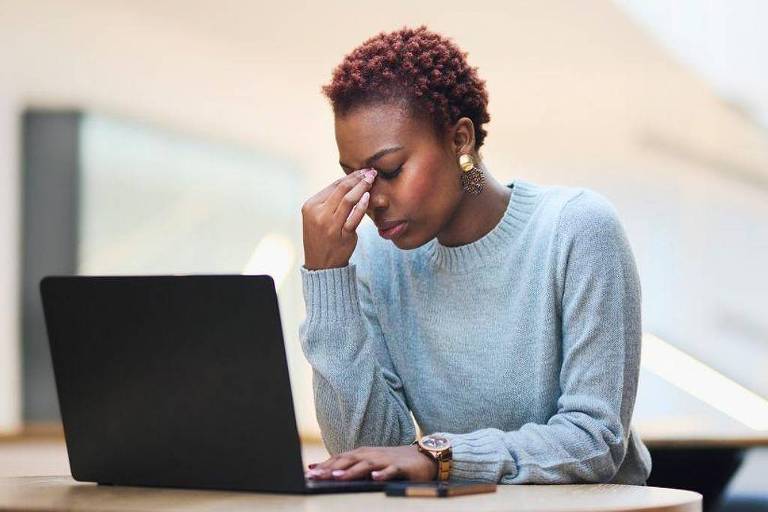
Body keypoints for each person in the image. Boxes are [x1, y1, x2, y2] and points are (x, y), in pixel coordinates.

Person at [299, 25, 652, 485]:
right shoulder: (377, 261)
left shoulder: (576, 230)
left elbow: (595, 440)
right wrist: (327, 278)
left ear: (460, 140)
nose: (372, 199)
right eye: (354, 177)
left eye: (388, 170)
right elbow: (364, 454)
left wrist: (441, 457)